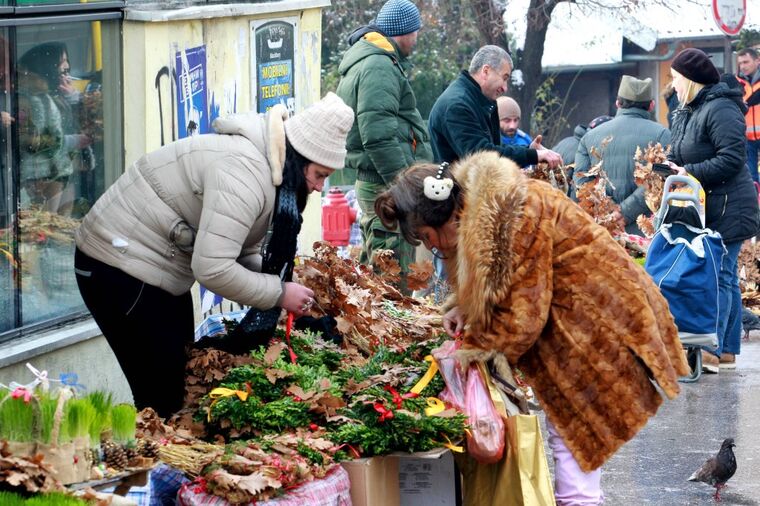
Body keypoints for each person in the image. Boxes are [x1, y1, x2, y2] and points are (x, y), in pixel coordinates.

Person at [375, 152, 689, 505]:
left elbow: (523, 312)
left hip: (597, 320)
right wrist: (465, 307)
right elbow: (503, 283)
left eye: (427, 237)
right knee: (571, 434)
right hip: (578, 318)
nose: (432, 247)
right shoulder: (488, 212)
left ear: (443, 214)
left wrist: (474, 350)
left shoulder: (515, 213)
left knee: (576, 432)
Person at [74, 93, 354, 416]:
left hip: (156, 263)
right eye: (319, 175)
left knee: (177, 377)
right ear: (300, 158)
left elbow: (238, 252)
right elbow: (212, 269)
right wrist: (278, 293)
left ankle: (156, 454)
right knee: (160, 395)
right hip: (114, 261)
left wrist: (283, 284)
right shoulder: (246, 174)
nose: (320, 187)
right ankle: (148, 460)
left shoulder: (272, 170)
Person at [667, 48, 760, 372]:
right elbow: (685, 150)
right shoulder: (690, 110)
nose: (673, 85)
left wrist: (688, 172)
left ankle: (713, 349)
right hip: (711, 204)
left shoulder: (720, 108)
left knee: (720, 272)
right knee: (726, 274)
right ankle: (728, 350)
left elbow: (732, 158)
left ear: (690, 80)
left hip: (729, 204)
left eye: (676, 78)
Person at [335, 0, 432, 293]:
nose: (416, 39)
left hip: (380, 184)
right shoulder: (379, 65)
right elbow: (377, 136)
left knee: (374, 275)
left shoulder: (374, 60)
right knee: (391, 280)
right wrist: (404, 185)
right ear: (403, 31)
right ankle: (391, 340)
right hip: (386, 187)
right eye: (415, 32)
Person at [427, 45, 561, 168]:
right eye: (504, 78)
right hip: (457, 192)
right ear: (485, 71)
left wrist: (529, 150)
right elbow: (481, 156)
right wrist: (533, 155)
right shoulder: (458, 105)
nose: (505, 87)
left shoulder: (477, 100)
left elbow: (492, 148)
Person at [574, 75, 671, 235]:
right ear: (651, 105)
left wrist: (609, 213)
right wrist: (624, 213)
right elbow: (660, 181)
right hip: (648, 233)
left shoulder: (588, 138)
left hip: (603, 231)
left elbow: (582, 184)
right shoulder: (663, 135)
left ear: (618, 103)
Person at [18, 42, 92, 216]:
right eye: (62, 62)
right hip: (44, 173)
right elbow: (35, 140)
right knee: (47, 223)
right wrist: (72, 141)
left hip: (57, 170)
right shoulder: (36, 99)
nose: (67, 67)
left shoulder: (51, 95)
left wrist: (73, 98)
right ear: (49, 66)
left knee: (54, 222)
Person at [737, 48, 760, 183]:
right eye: (740, 63)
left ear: (757, 61)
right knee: (751, 176)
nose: (743, 66)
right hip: (746, 136)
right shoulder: (737, 83)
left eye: (746, 62)